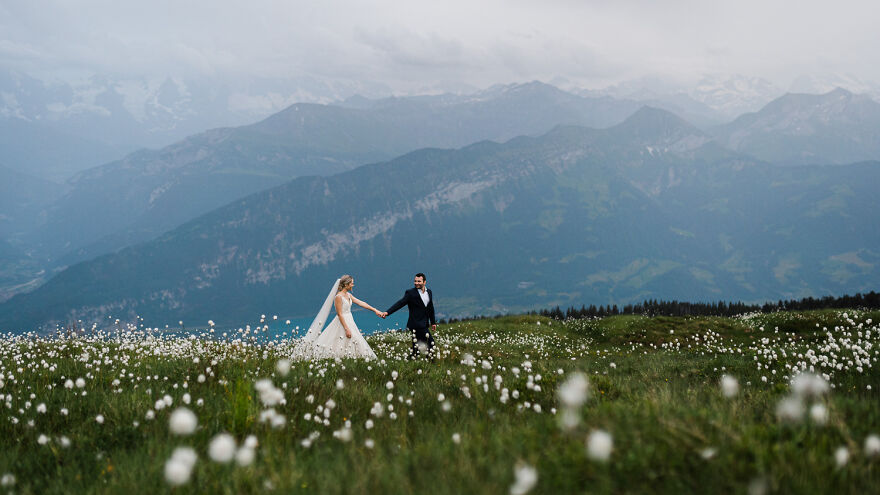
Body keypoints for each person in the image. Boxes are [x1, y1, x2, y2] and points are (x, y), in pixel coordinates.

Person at [304, 275, 382, 360]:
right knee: (343, 341)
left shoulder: (348, 295)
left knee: (354, 340)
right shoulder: (338, 297)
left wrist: (375, 310)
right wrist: (346, 328)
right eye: (352, 283)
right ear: (346, 284)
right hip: (343, 322)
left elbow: (361, 303)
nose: (353, 285)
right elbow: (339, 314)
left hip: (350, 320)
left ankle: (354, 359)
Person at [385, 273, 436, 361]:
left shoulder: (429, 292)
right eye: (415, 281)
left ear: (424, 282)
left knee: (416, 348)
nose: (416, 283)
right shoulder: (410, 293)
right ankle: (430, 363)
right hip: (416, 324)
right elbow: (400, 303)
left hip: (424, 323)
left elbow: (430, 308)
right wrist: (387, 312)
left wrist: (433, 322)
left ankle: (412, 363)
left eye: (419, 281)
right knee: (431, 344)